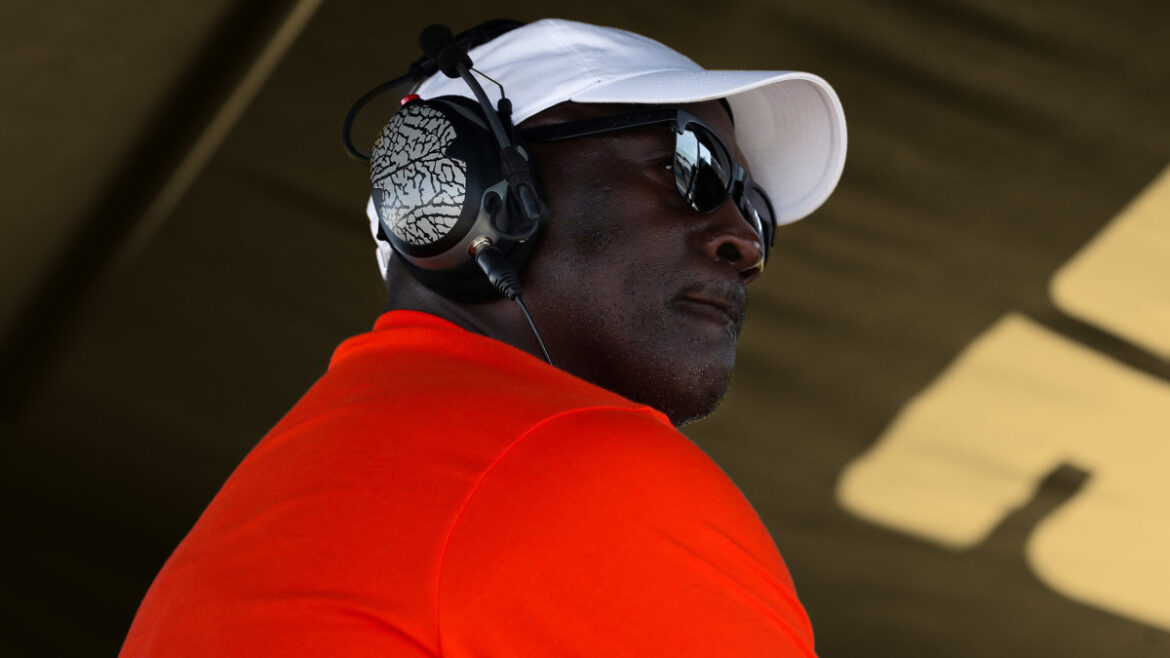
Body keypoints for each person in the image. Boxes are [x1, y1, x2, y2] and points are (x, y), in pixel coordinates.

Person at [120, 18, 846, 657]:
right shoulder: (583, 468)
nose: (745, 243)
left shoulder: (301, 481)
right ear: (459, 190)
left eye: (755, 210)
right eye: (690, 167)